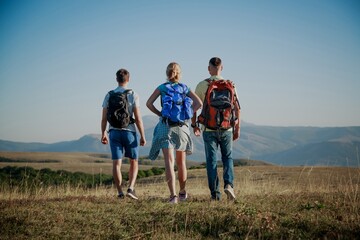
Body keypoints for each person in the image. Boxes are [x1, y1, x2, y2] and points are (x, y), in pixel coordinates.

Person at [146, 62, 202, 204]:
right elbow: (199, 103)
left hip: (166, 126)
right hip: (182, 127)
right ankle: (182, 192)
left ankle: (173, 196)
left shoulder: (162, 88)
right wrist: (188, 114)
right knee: (181, 162)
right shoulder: (185, 88)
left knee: (169, 162)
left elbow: (148, 103)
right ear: (179, 73)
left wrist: (160, 113)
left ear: (167, 73)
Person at [192, 57, 241, 201]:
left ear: (209, 68)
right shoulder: (231, 85)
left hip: (209, 129)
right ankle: (229, 185)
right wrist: (237, 128)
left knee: (211, 161)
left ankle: (215, 195)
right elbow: (237, 109)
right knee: (228, 158)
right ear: (222, 68)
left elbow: (194, 107)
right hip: (227, 128)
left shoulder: (202, 85)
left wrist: (194, 125)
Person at [101, 68, 146, 200]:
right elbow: (138, 118)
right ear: (128, 79)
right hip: (129, 132)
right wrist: (142, 136)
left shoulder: (109, 95)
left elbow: (104, 118)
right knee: (134, 161)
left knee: (116, 163)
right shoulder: (133, 94)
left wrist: (103, 133)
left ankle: (120, 192)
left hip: (113, 132)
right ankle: (131, 188)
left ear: (116, 79)